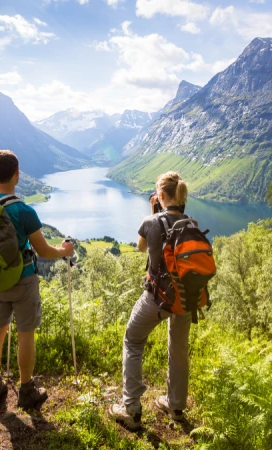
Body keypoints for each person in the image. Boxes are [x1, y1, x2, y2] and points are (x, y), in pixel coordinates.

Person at [0, 150, 74, 412]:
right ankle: (26, 391)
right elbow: (44, 251)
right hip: (22, 280)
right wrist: (65, 251)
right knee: (26, 334)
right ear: (16, 174)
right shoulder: (24, 210)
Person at [108, 171, 191, 430]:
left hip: (157, 297)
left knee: (132, 340)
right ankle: (175, 406)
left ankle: (131, 409)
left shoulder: (150, 221)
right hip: (185, 298)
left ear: (161, 195)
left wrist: (153, 211)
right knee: (178, 349)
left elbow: (141, 247)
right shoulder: (192, 224)